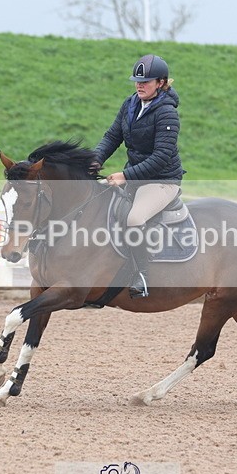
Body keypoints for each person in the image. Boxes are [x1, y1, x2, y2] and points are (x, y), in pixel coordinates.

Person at [94, 54, 184, 298]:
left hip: (161, 180)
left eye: (146, 81)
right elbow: (112, 136)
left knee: (134, 219)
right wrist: (94, 160)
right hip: (135, 176)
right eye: (137, 81)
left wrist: (125, 175)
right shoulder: (130, 103)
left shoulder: (167, 113)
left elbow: (161, 157)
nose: (139, 85)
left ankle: (142, 275)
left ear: (161, 83)